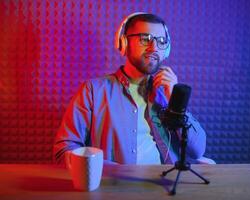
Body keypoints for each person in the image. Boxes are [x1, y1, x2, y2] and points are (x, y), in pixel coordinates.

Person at [53, 12, 214, 165]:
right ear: (123, 43)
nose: (154, 47)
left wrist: (175, 102)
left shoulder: (166, 93)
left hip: (163, 186)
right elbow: (64, 151)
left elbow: (197, 151)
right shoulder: (94, 91)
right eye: (145, 39)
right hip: (115, 188)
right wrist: (109, 171)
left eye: (161, 41)